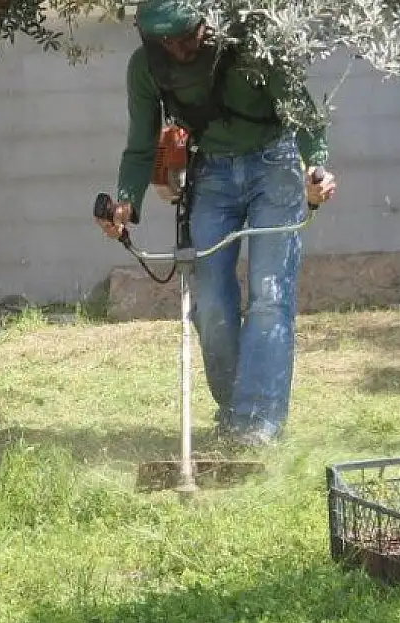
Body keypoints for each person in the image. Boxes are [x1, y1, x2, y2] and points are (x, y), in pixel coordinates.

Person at [96, 0, 337, 446]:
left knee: (268, 294)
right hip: (213, 176)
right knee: (209, 302)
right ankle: (235, 416)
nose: (179, 49)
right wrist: (125, 204)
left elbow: (303, 115)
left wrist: (316, 168)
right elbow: (140, 146)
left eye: (186, 36)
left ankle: (258, 424)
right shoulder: (145, 68)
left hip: (275, 166)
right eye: (165, 41)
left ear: (208, 20)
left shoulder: (253, 41)